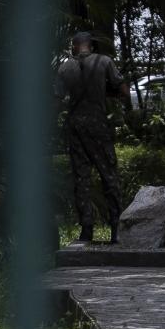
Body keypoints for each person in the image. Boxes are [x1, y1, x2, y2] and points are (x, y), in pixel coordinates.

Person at [55, 32, 129, 243]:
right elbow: (124, 91)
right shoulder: (104, 61)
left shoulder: (65, 67)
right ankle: (116, 229)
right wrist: (105, 92)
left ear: (75, 46)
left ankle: (86, 230)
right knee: (109, 176)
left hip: (75, 126)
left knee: (81, 178)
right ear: (91, 46)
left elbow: (57, 100)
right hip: (97, 125)